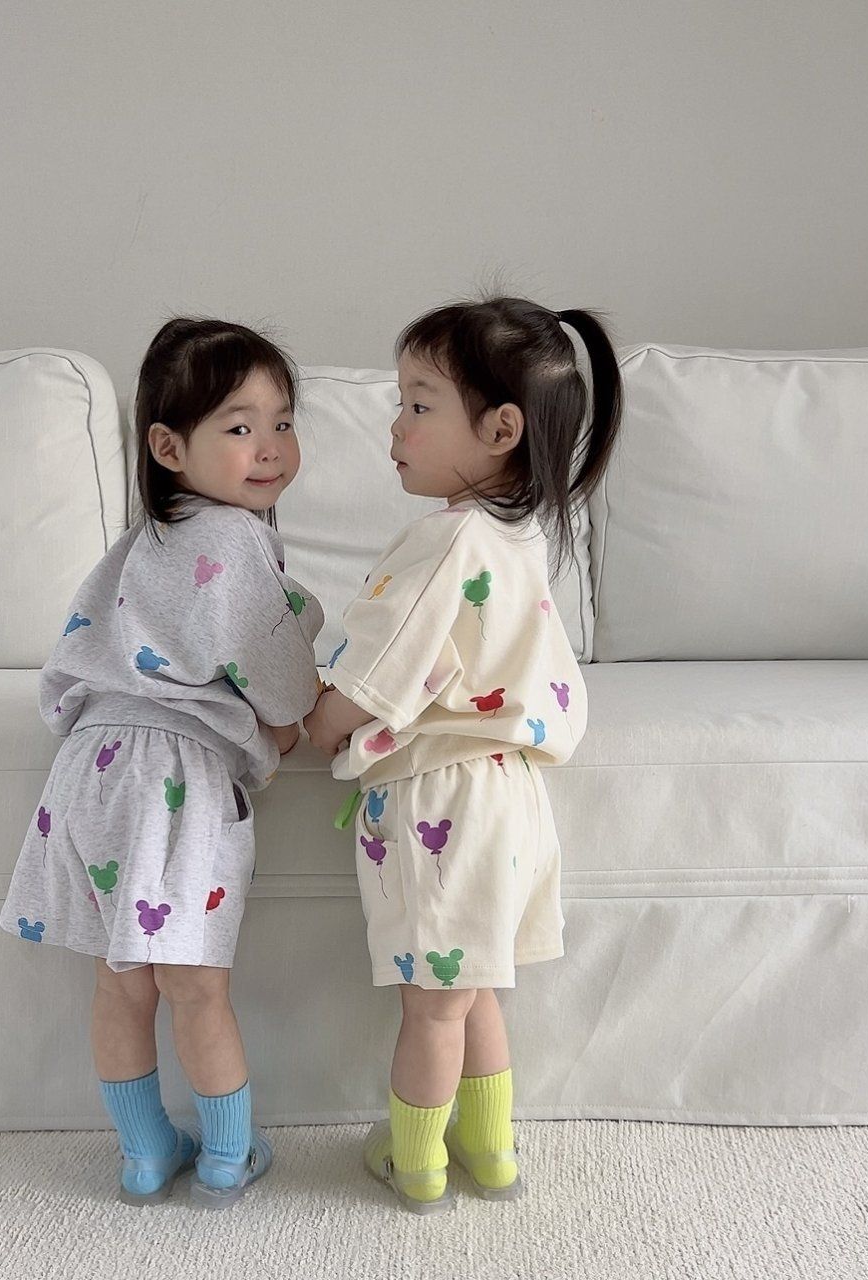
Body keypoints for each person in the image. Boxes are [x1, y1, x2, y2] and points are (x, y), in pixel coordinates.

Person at [304, 296, 621, 1214]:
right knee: (476, 987)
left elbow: (379, 669)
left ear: (500, 430)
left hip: (442, 801)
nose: (394, 426)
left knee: (433, 1003)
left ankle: (416, 1162)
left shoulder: (446, 540)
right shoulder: (519, 538)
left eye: (417, 404)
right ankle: (490, 1149)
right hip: (511, 796)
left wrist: (318, 720)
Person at [0, 318, 324, 1209]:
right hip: (172, 780)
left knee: (121, 981)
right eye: (240, 426)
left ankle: (144, 1153)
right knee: (194, 982)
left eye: (283, 422)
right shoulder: (235, 540)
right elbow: (281, 678)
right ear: (168, 446)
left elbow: (77, 653)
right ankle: (227, 1154)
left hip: (91, 768)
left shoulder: (138, 546)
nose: (271, 446)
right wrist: (284, 727)